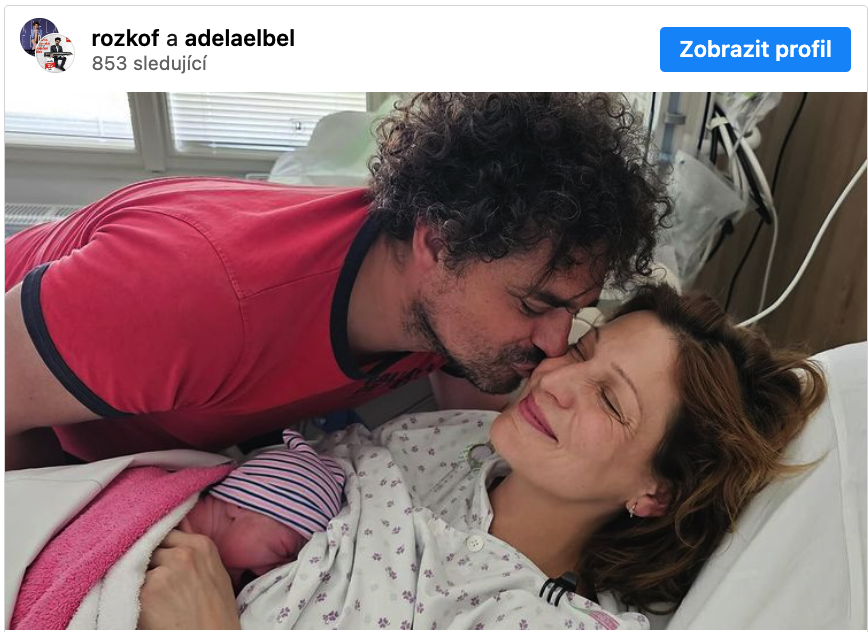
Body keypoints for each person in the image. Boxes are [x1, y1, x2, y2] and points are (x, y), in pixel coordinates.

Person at [5, 92, 672, 470]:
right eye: (534, 305)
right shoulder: (194, 295)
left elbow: (471, 426)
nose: (555, 345)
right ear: (436, 242)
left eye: (575, 314)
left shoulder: (445, 305)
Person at [135, 284, 826, 629]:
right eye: (582, 352)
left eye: (611, 401)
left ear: (656, 492)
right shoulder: (452, 438)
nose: (555, 382)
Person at [10, 430, 346, 629]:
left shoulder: (217, 584)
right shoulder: (150, 498)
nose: (270, 572)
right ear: (240, 505)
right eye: (282, 551)